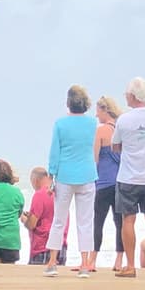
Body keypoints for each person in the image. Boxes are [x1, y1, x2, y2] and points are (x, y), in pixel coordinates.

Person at [112, 76, 145, 278]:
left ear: (132, 96)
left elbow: (115, 146)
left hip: (129, 177)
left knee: (128, 220)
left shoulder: (124, 119)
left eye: (126, 93)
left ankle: (131, 265)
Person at [44, 85, 98, 277]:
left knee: (59, 220)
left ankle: (52, 262)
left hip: (65, 176)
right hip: (87, 175)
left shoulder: (60, 124)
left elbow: (54, 152)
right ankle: (84, 265)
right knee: (85, 222)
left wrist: (51, 175)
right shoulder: (93, 124)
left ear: (68, 103)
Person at [92, 94, 127, 272]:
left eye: (98, 111)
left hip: (104, 183)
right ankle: (119, 260)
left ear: (105, 110)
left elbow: (95, 160)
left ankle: (92, 260)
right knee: (120, 222)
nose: (97, 115)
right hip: (120, 182)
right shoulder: (122, 129)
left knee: (98, 221)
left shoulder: (101, 131)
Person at [22, 166, 68, 265]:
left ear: (35, 180)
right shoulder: (60, 194)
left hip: (43, 247)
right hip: (61, 245)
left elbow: (32, 224)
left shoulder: (39, 195)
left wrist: (24, 219)